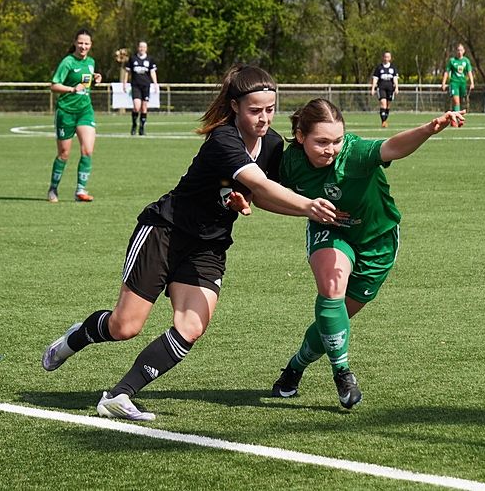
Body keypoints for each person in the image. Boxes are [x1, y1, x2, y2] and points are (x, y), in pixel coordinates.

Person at [41, 65, 340, 421]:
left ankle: (119, 395)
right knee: (125, 327)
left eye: (270, 109)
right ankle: (76, 338)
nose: (264, 118)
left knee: (191, 326)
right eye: (255, 110)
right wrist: (308, 206)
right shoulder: (223, 139)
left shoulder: (272, 144)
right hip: (165, 231)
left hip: (209, 246)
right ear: (235, 107)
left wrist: (263, 203)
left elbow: (260, 195)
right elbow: (259, 184)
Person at [270, 98, 465, 409]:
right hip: (332, 231)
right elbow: (265, 193)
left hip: (378, 241)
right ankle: (343, 373)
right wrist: (304, 209)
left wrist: (429, 128)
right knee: (331, 288)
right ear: (300, 136)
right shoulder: (290, 162)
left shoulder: (355, 153)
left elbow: (392, 147)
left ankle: (295, 367)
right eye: (321, 142)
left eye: (336, 140)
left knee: (336, 319)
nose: (330, 149)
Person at [47, 28, 102, 203]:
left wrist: (95, 78)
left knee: (87, 150)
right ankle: (53, 188)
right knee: (64, 154)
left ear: (91, 45)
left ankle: (80, 191)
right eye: (80, 43)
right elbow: (54, 85)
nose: (83, 46)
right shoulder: (68, 62)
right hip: (66, 112)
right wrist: (72, 89)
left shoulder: (91, 62)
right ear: (75, 43)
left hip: (85, 110)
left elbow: (86, 81)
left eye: (86, 43)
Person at [123, 41, 159, 136]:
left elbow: (152, 72)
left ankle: (142, 128)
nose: (142, 48)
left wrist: (155, 84)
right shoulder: (133, 58)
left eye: (144, 47)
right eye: (140, 47)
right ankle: (134, 125)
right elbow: (127, 72)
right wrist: (124, 83)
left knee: (144, 107)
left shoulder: (150, 59)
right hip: (135, 85)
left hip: (146, 86)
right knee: (136, 106)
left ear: (146, 49)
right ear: (138, 48)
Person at [369, 51, 400, 128]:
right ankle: (383, 121)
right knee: (383, 104)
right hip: (381, 87)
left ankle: (385, 120)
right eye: (385, 57)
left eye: (388, 57)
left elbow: (395, 79)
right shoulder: (379, 68)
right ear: (383, 57)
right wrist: (373, 89)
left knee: (388, 105)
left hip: (390, 88)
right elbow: (375, 79)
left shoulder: (393, 68)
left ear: (390, 58)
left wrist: (396, 88)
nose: (386, 58)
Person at [441, 43, 474, 111]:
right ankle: (456, 116)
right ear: (456, 51)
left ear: (464, 51)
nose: (459, 52)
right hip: (454, 83)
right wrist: (443, 83)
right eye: (458, 50)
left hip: (463, 83)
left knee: (460, 102)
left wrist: (472, 83)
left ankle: (455, 114)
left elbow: (469, 72)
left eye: (461, 50)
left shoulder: (466, 61)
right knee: (456, 101)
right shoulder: (452, 60)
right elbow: (447, 72)